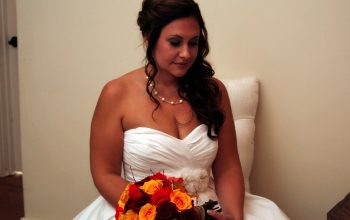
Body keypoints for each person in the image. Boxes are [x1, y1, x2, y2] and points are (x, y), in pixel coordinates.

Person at [74, 0, 289, 219]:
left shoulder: (214, 91)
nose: (186, 54)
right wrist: (156, 214)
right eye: (175, 42)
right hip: (141, 210)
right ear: (148, 37)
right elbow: (104, 174)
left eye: (193, 43)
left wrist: (233, 215)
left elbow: (228, 167)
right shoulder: (116, 93)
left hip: (207, 208)